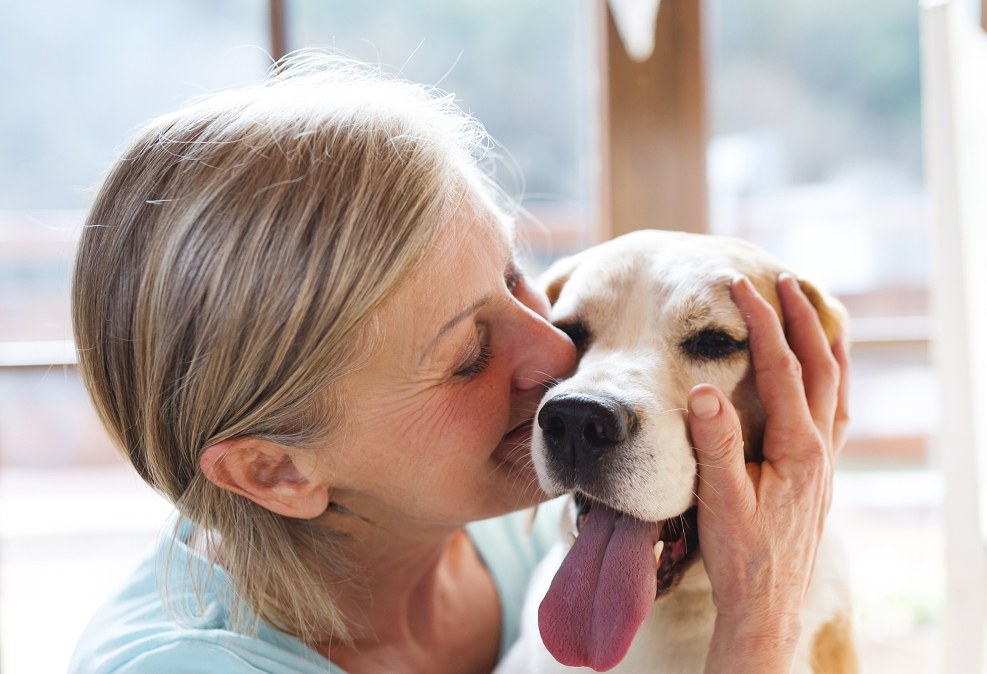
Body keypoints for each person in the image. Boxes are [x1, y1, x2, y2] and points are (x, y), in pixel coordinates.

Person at [68, 52, 849, 674]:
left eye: (518, 282)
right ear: (276, 471)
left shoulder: (516, 532)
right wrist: (759, 635)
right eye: (468, 355)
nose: (558, 359)